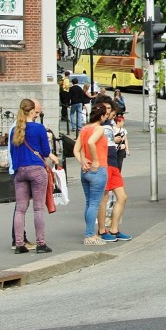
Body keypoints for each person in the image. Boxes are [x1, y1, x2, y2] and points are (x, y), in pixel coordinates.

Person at [9, 98, 58, 254]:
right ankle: (41, 244)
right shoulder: (38, 128)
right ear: (31, 112)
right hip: (36, 170)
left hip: (19, 171)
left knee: (20, 210)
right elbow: (44, 151)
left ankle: (19, 244)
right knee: (38, 209)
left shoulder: (14, 130)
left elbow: (11, 152)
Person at [74, 103, 110, 245]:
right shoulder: (99, 128)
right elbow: (91, 142)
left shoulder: (84, 129)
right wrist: (95, 160)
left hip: (85, 170)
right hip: (98, 168)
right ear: (101, 116)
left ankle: (90, 232)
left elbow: (76, 150)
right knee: (95, 203)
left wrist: (82, 162)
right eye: (105, 115)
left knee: (89, 203)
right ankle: (89, 235)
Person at [97, 105, 132, 243]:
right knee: (104, 198)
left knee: (122, 197)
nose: (112, 113)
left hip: (113, 163)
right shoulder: (99, 126)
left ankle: (114, 229)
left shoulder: (110, 125)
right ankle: (101, 230)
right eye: (110, 110)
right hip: (104, 164)